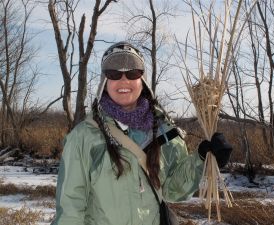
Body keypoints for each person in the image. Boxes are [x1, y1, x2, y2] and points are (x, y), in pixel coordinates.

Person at [51, 41, 232, 225]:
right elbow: (70, 209)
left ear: (142, 79)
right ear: (104, 82)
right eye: (114, 73)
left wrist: (201, 158)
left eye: (132, 72)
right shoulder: (83, 137)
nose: (123, 80)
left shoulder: (163, 130)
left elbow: (173, 190)